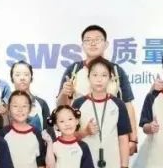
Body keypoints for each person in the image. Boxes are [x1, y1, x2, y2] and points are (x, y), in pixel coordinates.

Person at [57, 25, 138, 156]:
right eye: (88, 40)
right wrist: (64, 93)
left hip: (111, 140)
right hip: (80, 138)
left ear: (106, 44)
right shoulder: (73, 70)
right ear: (82, 45)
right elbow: (61, 108)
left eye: (97, 39)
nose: (93, 43)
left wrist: (133, 139)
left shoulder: (116, 70)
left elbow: (127, 105)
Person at [8, 60, 52, 133]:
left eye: (26, 74)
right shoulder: (6, 105)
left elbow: (49, 131)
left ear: (31, 78)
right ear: (12, 79)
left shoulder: (41, 103)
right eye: (18, 75)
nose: (22, 78)